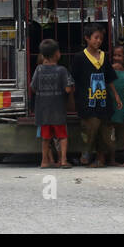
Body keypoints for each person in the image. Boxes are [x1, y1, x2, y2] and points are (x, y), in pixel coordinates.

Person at [70, 25, 119, 167]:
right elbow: (73, 80)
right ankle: (87, 152)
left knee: (104, 130)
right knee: (91, 127)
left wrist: (116, 96)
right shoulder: (79, 57)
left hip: (103, 100)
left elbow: (109, 78)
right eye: (95, 38)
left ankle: (100, 159)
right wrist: (73, 100)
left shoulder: (104, 57)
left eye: (101, 38)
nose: (98, 41)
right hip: (87, 101)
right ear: (87, 38)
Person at [30, 39, 74, 168]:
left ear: (43, 55)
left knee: (45, 138)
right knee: (62, 136)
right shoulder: (61, 70)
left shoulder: (38, 69)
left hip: (43, 110)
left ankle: (44, 161)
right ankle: (64, 160)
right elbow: (67, 88)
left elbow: (32, 87)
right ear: (57, 54)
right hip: (58, 110)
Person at [110, 44, 124, 163]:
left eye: (119, 55)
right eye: (114, 55)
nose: (116, 58)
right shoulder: (110, 69)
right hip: (114, 104)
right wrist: (112, 69)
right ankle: (112, 158)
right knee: (112, 132)